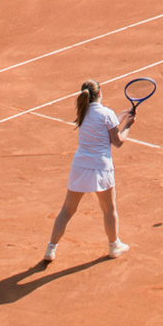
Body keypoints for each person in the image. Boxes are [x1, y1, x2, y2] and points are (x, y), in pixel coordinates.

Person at [43, 79, 134, 262]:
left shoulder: (83, 111)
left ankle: (50, 249)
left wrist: (123, 114)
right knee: (109, 209)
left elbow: (105, 123)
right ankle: (114, 245)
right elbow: (118, 142)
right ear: (99, 93)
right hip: (101, 168)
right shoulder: (107, 114)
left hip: (80, 166)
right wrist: (128, 125)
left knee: (67, 210)